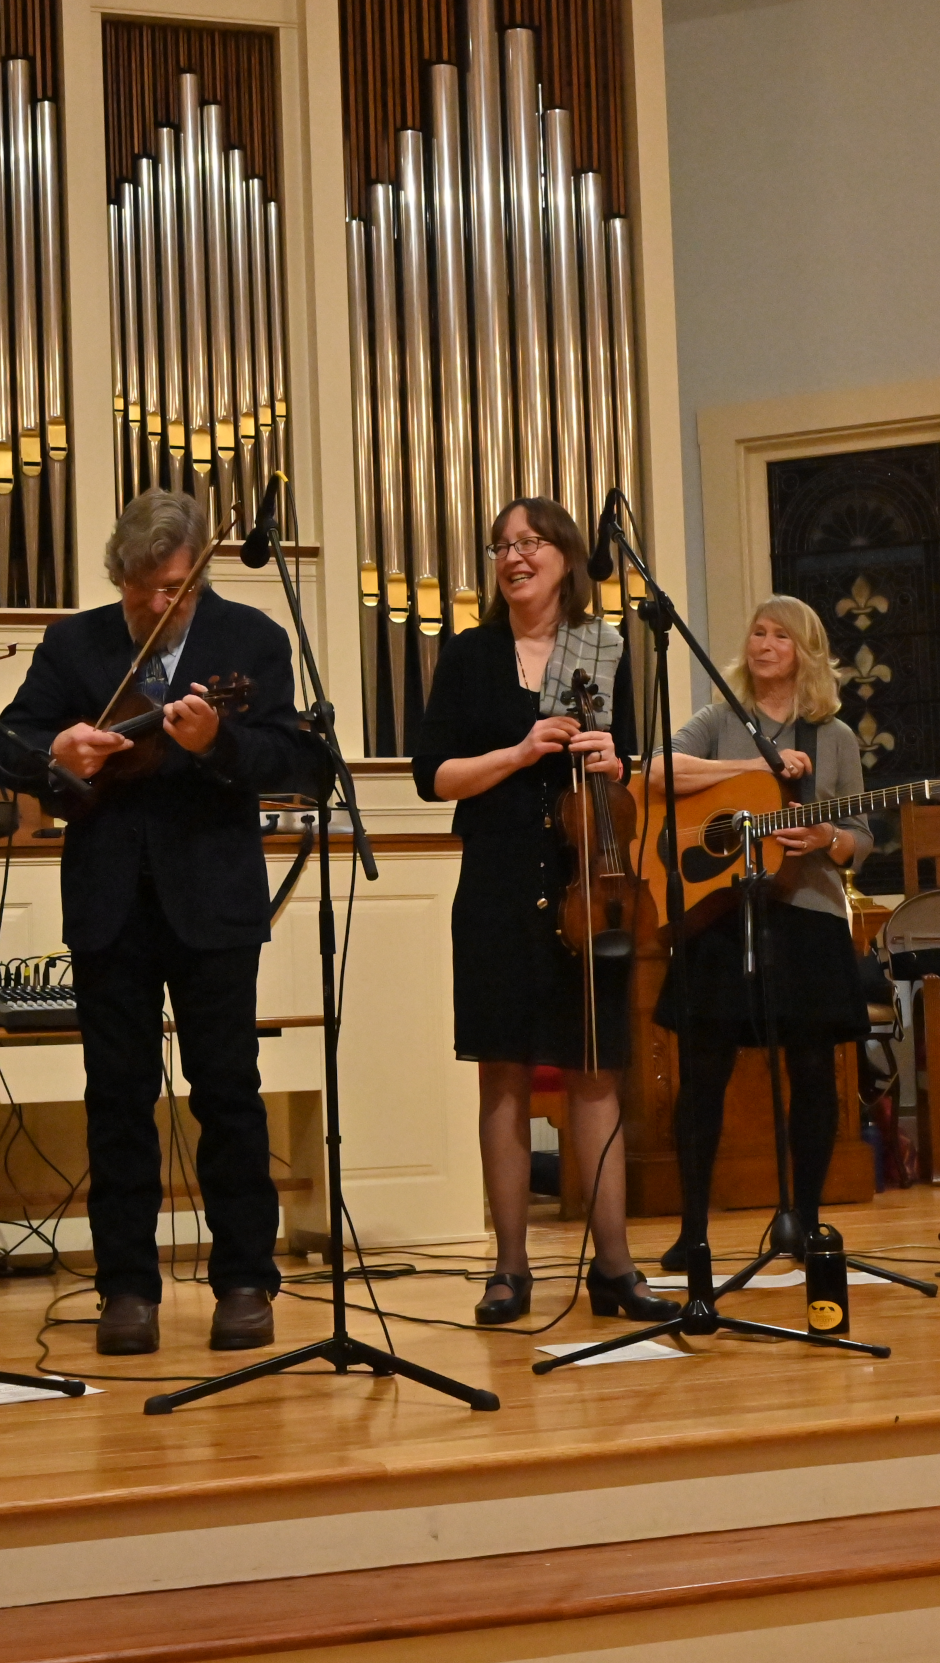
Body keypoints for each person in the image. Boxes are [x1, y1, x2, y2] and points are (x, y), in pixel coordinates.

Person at [0, 488, 306, 1356]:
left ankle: (244, 1278)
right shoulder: (75, 643)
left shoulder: (251, 640)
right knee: (118, 1099)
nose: (153, 603)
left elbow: (291, 756)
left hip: (214, 900)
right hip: (110, 902)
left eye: (170, 588)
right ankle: (126, 1288)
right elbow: (10, 741)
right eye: (137, 587)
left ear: (197, 575)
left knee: (227, 1092)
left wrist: (217, 743)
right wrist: (55, 752)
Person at [411, 497, 677, 1326]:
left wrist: (613, 759)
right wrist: (521, 750)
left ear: (566, 556)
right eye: (501, 545)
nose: (513, 556)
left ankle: (616, 1266)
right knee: (504, 1075)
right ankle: (510, 1268)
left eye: (528, 542)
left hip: (586, 884)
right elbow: (434, 775)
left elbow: (632, 763)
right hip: (497, 886)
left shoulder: (604, 647)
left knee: (596, 1072)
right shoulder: (470, 655)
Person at [650, 596, 874, 1268]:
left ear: (806, 653)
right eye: (757, 632)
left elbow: (861, 836)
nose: (764, 643)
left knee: (812, 1069)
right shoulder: (720, 719)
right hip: (720, 915)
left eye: (780, 635)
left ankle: (803, 1220)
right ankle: (693, 1230)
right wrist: (752, 769)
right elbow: (658, 770)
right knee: (703, 1071)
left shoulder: (834, 736)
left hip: (807, 915)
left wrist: (828, 836)